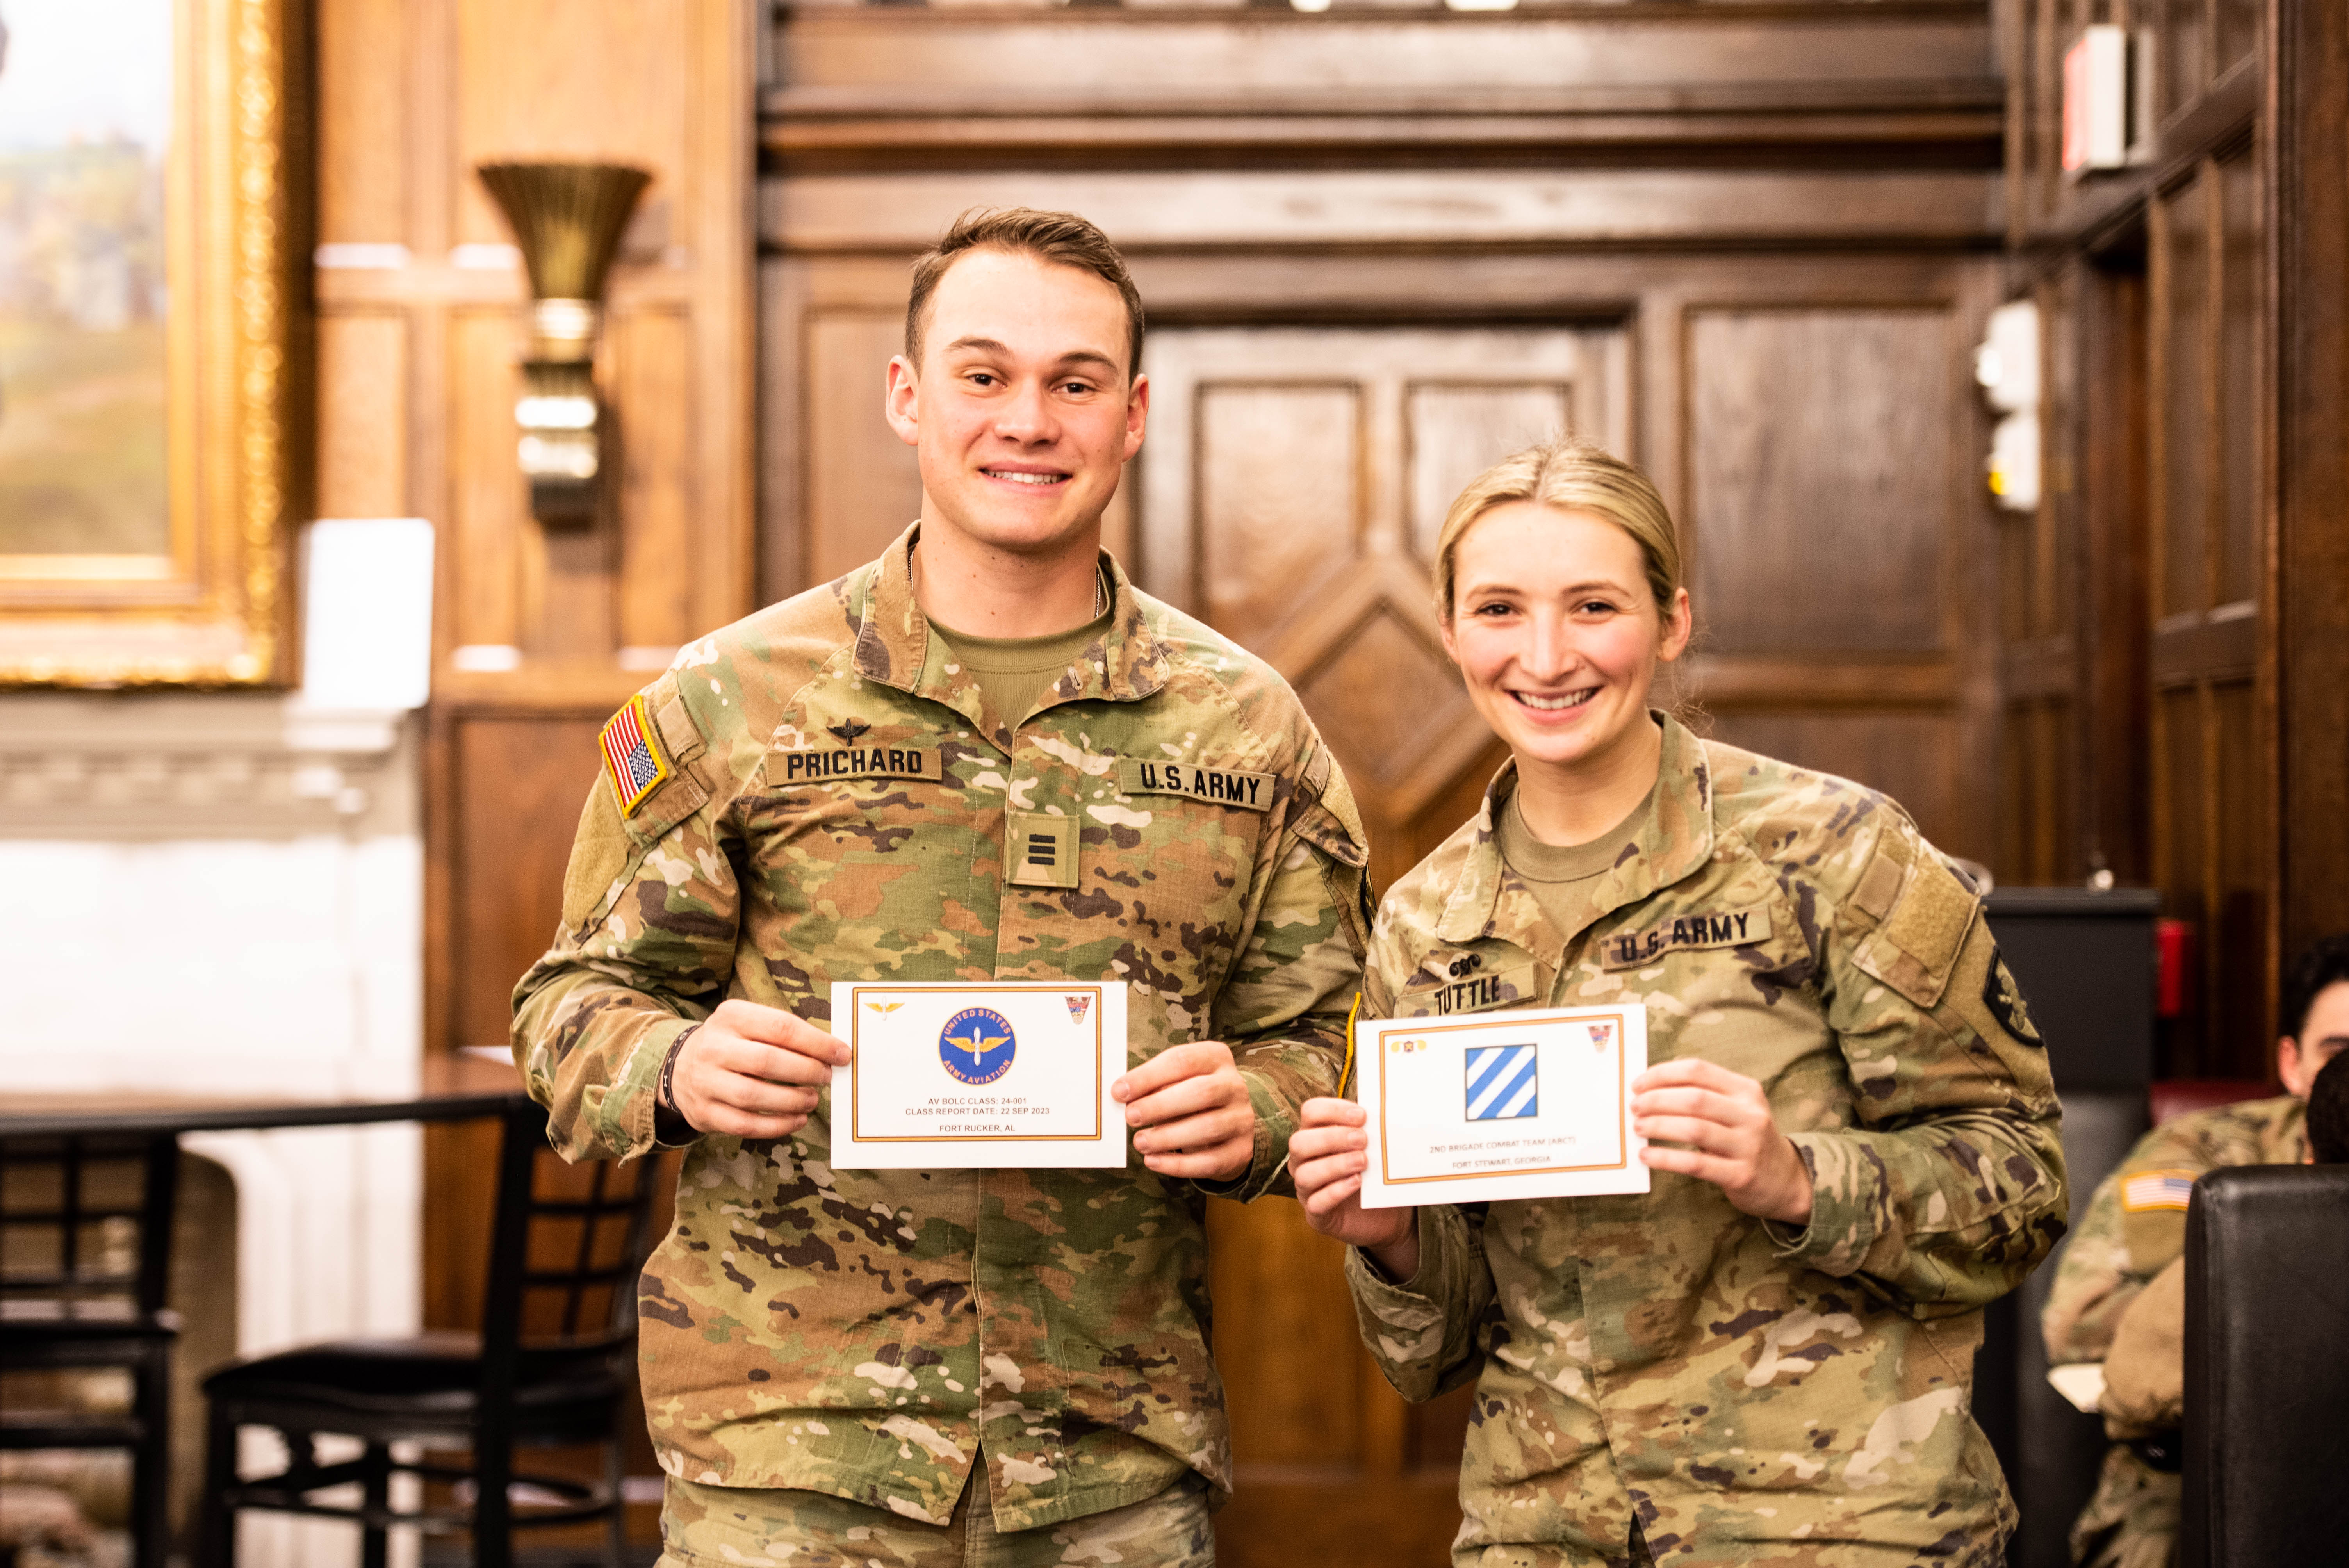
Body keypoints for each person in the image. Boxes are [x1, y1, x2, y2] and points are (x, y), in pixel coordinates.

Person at [512, 207, 1373, 1568]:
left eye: (1073, 382)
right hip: (788, 1460)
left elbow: (1333, 1037)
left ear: (1130, 413)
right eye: (984, 374)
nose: (1027, 418)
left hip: (1108, 1465)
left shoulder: (1249, 731)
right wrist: (676, 1063)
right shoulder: (730, 698)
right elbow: (569, 1005)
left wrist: (1261, 1104)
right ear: (909, 396)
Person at [1284, 437, 2067, 1567]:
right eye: (1500, 610)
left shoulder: (1838, 854)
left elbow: (2026, 1179)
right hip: (1545, 1527)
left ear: (1671, 621)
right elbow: (1440, 1349)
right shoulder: (1422, 922)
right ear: (1451, 632)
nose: (1545, 656)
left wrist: (1800, 1181)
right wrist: (1394, 1239)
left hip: (1835, 1523)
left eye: (1593, 606)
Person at [2041, 932, 2349, 1568]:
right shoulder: (2207, 1155)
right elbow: (2082, 1320)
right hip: (2187, 1474)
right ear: (2292, 1064)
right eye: (2338, 1051)